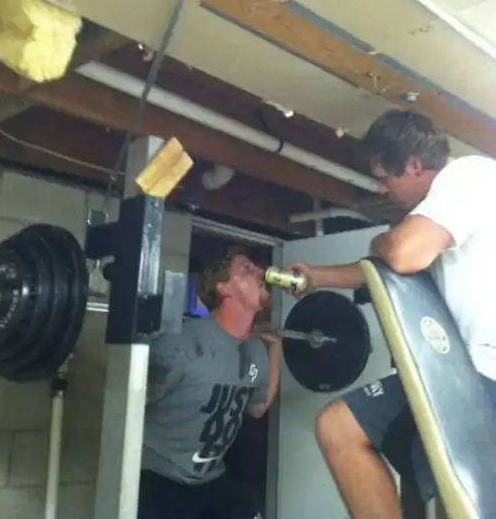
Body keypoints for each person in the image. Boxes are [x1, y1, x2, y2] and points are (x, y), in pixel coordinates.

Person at [288, 109, 496, 519]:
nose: (382, 190)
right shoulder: (449, 221)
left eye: (385, 177)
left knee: (339, 428)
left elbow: (400, 254)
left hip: (482, 376)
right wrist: (318, 276)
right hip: (471, 376)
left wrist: (384, 240)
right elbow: (390, 274)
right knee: (427, 484)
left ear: (415, 164)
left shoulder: (466, 177)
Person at [138, 245, 281, 519]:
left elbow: (258, 407)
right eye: (247, 269)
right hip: (160, 477)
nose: (260, 272)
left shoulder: (255, 351)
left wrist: (276, 350)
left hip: (212, 478)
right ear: (224, 288)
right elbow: (130, 405)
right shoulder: (182, 344)